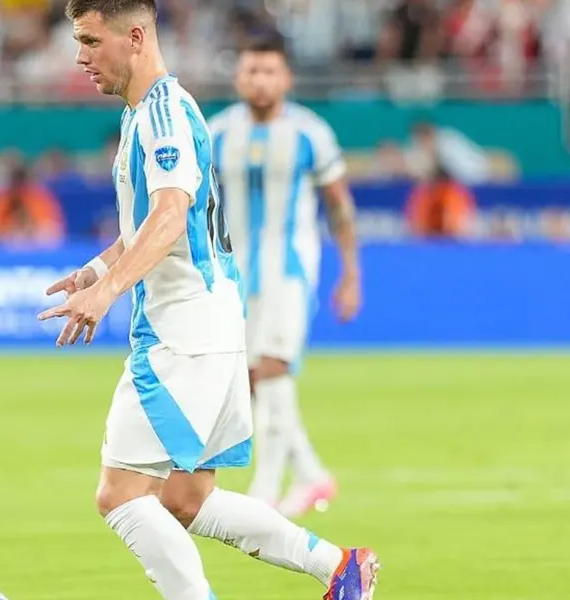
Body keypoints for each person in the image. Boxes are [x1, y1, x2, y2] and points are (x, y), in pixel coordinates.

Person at [42, 2, 379, 600]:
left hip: (181, 333)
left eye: (91, 41)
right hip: (215, 324)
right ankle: (339, 568)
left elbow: (171, 214)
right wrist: (96, 270)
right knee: (186, 499)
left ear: (136, 37)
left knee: (120, 494)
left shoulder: (165, 115)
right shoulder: (150, 113)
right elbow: (151, 219)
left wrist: (110, 291)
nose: (80, 57)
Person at [206, 37, 364, 517]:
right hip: (231, 271)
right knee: (252, 378)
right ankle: (314, 475)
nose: (260, 80)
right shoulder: (214, 133)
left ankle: (266, 493)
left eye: (269, 71)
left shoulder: (310, 133)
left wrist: (351, 272)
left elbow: (339, 203)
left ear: (286, 78)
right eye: (252, 71)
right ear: (238, 77)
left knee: (272, 365)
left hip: (289, 267)